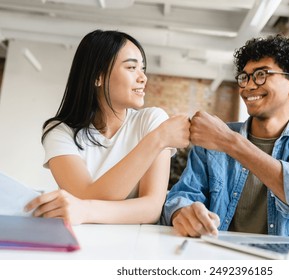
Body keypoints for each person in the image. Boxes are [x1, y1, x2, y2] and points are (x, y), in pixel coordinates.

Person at [162, 34, 289, 237]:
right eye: (245, 77)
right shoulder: (211, 139)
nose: (248, 86)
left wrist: (230, 142)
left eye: (261, 74)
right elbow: (184, 195)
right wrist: (182, 213)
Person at [24, 30, 190, 224]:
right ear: (98, 77)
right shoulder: (59, 132)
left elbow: (151, 209)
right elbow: (85, 198)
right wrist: (157, 140)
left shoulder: (152, 120)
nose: (143, 77)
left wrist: (86, 210)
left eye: (142, 69)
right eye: (131, 67)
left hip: (136, 244)